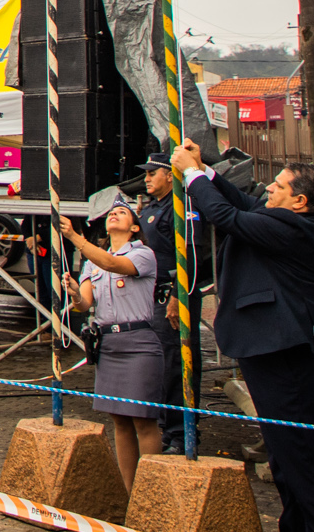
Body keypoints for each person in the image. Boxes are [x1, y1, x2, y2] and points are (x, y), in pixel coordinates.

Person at [174, 143, 314, 532]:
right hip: (277, 351)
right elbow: (241, 202)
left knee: (301, 456)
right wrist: (208, 171)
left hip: (292, 354)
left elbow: (224, 215)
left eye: (278, 185)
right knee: (283, 455)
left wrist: (192, 175)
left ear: (299, 200)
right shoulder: (283, 218)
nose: (268, 188)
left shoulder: (296, 228)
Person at [58, 196, 163, 493]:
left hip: (139, 342)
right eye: (111, 212)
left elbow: (113, 263)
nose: (114, 215)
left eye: (122, 212)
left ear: (134, 228)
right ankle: (130, 493)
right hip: (109, 343)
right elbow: (85, 304)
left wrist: (74, 237)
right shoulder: (94, 261)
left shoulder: (142, 254)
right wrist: (75, 293)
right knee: (119, 421)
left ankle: (150, 493)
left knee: (143, 419)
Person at [133, 152, 187, 454]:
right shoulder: (152, 207)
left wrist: (178, 297)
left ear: (169, 174)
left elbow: (189, 256)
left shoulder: (180, 207)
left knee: (174, 367)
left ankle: (180, 435)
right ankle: (166, 429)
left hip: (171, 295)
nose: (147, 179)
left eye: (153, 173)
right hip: (151, 296)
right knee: (158, 369)